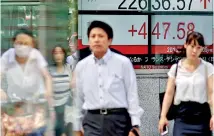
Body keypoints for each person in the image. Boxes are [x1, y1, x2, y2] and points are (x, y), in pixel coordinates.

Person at [73, 20, 143, 136]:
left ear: (109, 40)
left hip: (118, 121)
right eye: (93, 36)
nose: (96, 39)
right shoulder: (82, 66)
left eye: (101, 36)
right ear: (88, 41)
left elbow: (132, 95)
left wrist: (135, 126)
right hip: (91, 121)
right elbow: (78, 98)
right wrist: (76, 126)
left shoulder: (123, 63)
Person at [158, 31, 214, 136]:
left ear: (202, 49)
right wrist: (163, 116)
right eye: (192, 46)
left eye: (198, 47)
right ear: (185, 45)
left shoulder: (208, 68)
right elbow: (169, 93)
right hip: (182, 119)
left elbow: (211, 93)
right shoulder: (176, 68)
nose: (194, 51)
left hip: (202, 119)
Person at [0, 28, 52, 135]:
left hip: (35, 103)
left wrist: (48, 91)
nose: (22, 46)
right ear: (13, 42)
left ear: (32, 44)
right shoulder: (7, 56)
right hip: (15, 104)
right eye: (19, 43)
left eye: (26, 43)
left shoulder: (36, 55)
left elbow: (47, 76)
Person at [49, 45, 73, 136]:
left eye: (60, 53)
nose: (58, 55)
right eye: (55, 53)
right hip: (53, 106)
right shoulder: (49, 69)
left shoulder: (69, 68)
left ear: (64, 55)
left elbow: (73, 87)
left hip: (66, 105)